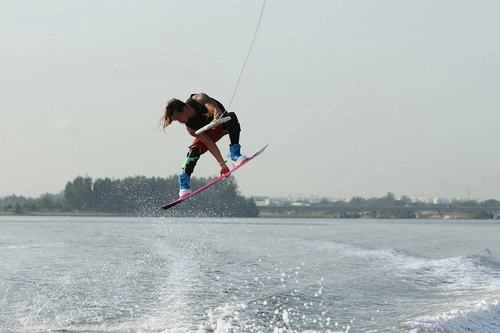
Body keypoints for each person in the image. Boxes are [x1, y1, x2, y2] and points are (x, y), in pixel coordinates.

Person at [159, 93, 247, 198]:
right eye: (177, 120)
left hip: (222, 124)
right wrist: (222, 164)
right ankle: (184, 183)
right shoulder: (191, 128)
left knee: (231, 117)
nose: (180, 122)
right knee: (194, 150)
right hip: (209, 134)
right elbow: (209, 143)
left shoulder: (199, 99)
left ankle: (235, 155)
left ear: (184, 108)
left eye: (178, 117)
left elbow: (216, 111)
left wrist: (215, 120)